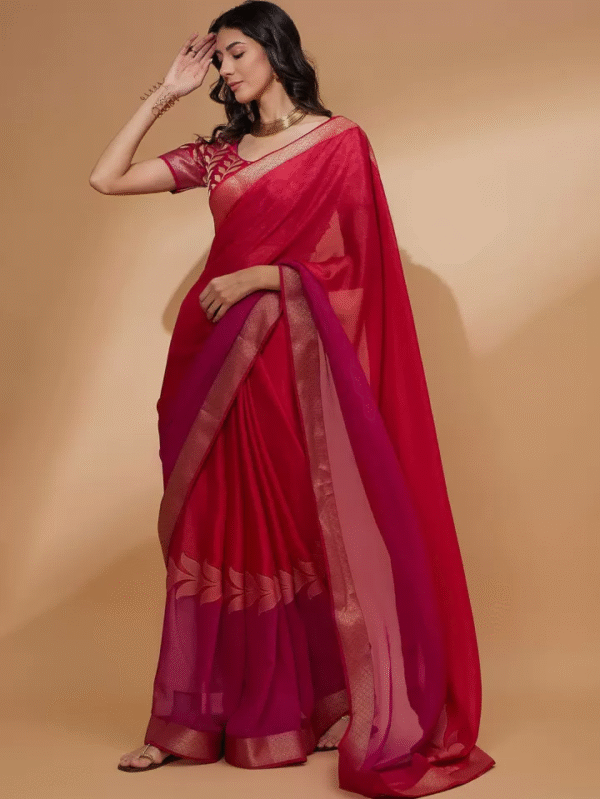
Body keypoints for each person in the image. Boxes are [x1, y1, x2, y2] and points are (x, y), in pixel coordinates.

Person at [89, 2, 496, 795]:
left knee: (297, 524)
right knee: (216, 523)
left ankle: (326, 701)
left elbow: (360, 270)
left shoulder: (339, 142)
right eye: (218, 60)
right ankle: (187, 721)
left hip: (286, 360)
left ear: (276, 49)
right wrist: (164, 94)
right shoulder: (221, 156)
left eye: (236, 52)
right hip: (212, 363)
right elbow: (106, 179)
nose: (225, 69)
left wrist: (267, 276)